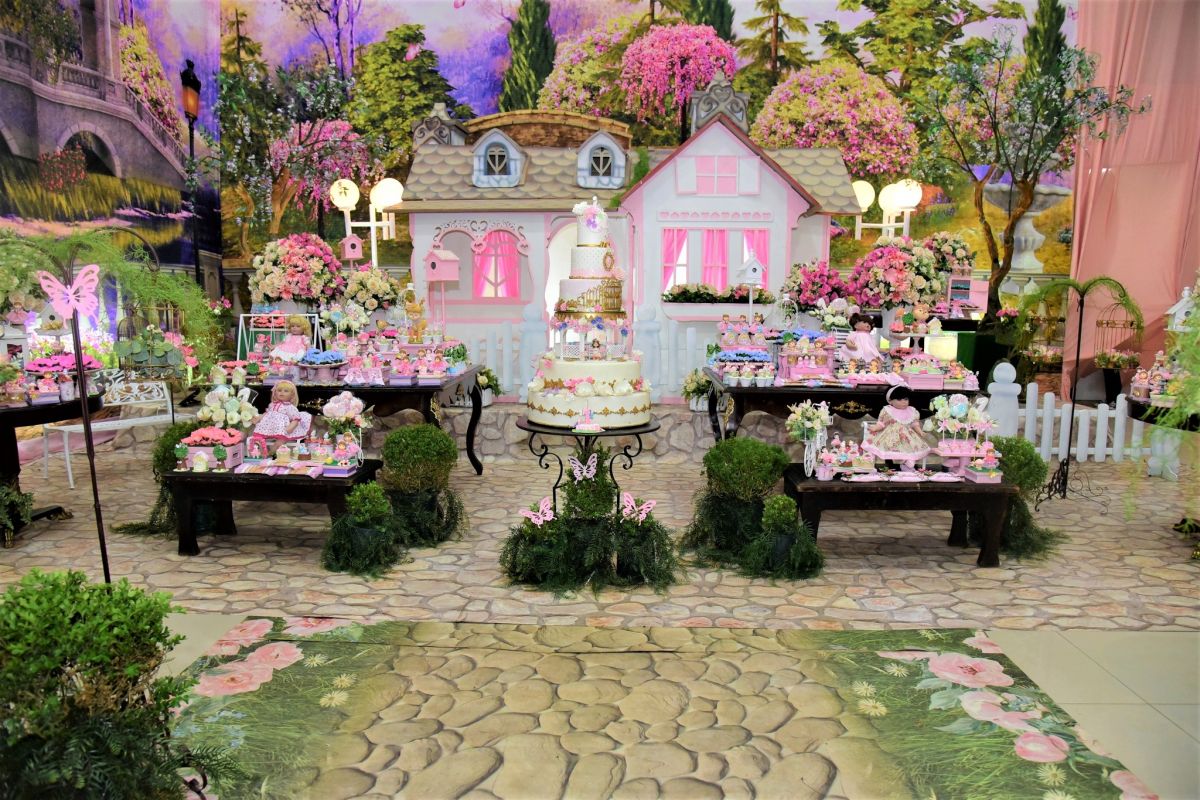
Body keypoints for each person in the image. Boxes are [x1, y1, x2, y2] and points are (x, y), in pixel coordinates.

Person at [863, 385, 931, 467]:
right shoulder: (887, 410)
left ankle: (906, 461)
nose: (904, 402)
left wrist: (920, 432)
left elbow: (914, 424)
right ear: (890, 401)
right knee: (888, 445)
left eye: (906, 399)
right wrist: (875, 428)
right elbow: (881, 423)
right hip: (890, 434)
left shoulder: (911, 411)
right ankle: (889, 462)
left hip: (906, 435)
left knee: (910, 445)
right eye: (899, 399)